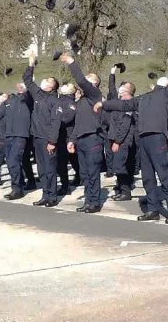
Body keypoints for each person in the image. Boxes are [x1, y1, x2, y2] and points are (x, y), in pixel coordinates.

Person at [97, 40, 168, 222]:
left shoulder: (166, 94)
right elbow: (123, 104)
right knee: (147, 176)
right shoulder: (143, 98)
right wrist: (104, 104)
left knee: (163, 174)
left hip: (157, 138)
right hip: (144, 139)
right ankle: (153, 209)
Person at [59, 52, 108, 213]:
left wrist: (72, 62)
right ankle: (88, 201)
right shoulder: (81, 101)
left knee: (93, 173)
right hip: (81, 140)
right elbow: (78, 124)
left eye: (88, 79)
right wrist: (72, 140)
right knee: (85, 173)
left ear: (94, 84)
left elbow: (80, 80)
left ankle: (94, 202)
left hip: (93, 139)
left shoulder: (95, 95)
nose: (84, 82)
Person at [24, 53, 60, 207]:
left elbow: (56, 122)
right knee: (41, 169)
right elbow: (27, 80)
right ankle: (45, 194)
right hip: (37, 137)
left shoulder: (54, 100)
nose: (44, 81)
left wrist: (52, 141)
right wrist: (31, 64)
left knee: (50, 168)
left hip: (48, 139)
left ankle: (52, 196)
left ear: (52, 86)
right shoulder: (38, 95)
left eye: (48, 80)